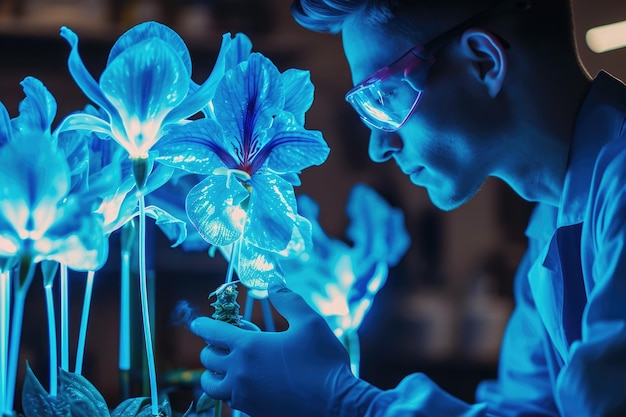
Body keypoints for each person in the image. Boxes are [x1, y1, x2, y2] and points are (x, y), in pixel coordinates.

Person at [190, 0, 626, 415]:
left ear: (484, 61)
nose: (380, 147)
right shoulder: (555, 216)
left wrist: (340, 399)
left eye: (383, 98)